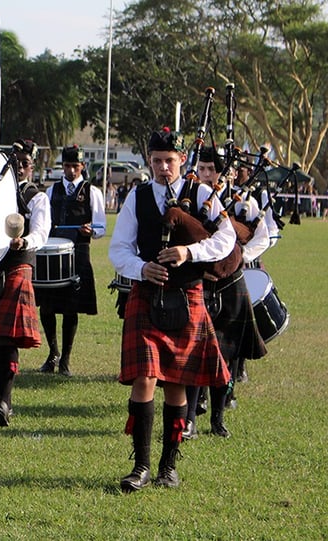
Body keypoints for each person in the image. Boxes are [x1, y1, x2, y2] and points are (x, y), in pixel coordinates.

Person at [109, 128, 234, 491]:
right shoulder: (139, 195)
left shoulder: (203, 194)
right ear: (149, 161)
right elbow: (119, 249)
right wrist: (141, 268)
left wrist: (188, 252)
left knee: (177, 385)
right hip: (147, 295)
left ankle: (168, 466)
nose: (163, 168)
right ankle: (141, 466)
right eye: (157, 161)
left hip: (186, 296)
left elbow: (226, 240)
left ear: (181, 160)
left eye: (169, 161)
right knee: (145, 377)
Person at [180, 147, 268, 440]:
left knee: (226, 353)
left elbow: (264, 236)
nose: (206, 174)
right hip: (200, 281)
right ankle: (190, 418)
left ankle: (218, 418)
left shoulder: (245, 202)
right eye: (202, 168)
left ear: (225, 172)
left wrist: (241, 254)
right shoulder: (191, 199)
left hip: (231, 282)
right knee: (194, 352)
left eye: (212, 170)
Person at [0, 139, 50, 427]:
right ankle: (2, 398)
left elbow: (42, 232)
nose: (19, 167)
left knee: (6, 334)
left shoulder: (36, 196)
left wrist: (25, 241)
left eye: (24, 163)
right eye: (14, 162)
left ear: (32, 167)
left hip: (18, 264)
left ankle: (5, 402)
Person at [38, 144, 106, 376]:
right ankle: (52, 353)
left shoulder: (92, 192)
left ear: (82, 167)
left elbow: (101, 227)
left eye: (75, 166)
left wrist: (91, 231)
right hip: (52, 254)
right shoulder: (51, 191)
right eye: (67, 166)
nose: (70, 171)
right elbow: (44, 223)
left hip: (78, 252)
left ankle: (65, 359)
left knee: (70, 308)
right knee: (46, 307)